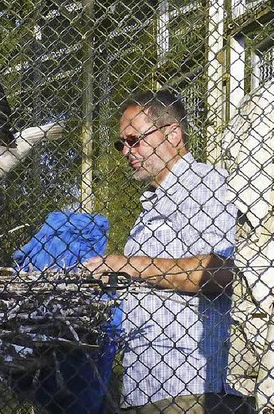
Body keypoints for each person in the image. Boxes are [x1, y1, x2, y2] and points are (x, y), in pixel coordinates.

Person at [84, 89, 254, 413]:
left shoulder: (205, 185)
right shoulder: (152, 204)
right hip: (146, 389)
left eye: (134, 139)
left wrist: (130, 265)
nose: (126, 151)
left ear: (172, 134)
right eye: (122, 143)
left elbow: (223, 271)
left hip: (193, 390)